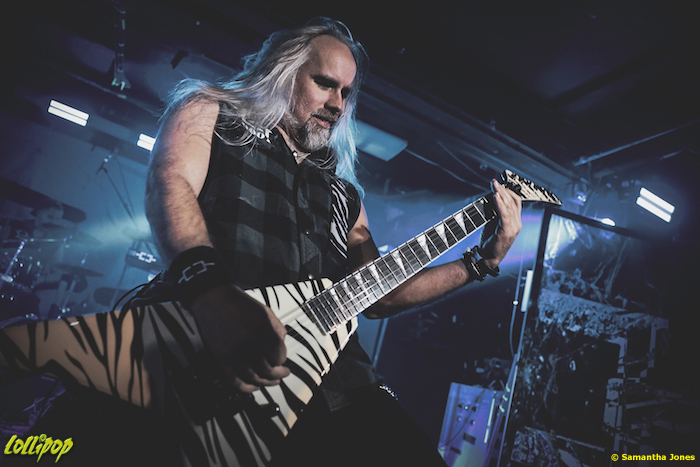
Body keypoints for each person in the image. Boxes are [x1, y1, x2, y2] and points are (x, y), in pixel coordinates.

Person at [0, 17, 521, 467]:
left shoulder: (345, 195)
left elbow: (379, 294)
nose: (337, 104)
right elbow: (170, 184)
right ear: (283, 72)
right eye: (325, 83)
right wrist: (212, 295)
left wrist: (482, 260)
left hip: (334, 381)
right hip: (199, 346)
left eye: (346, 93)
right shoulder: (212, 113)